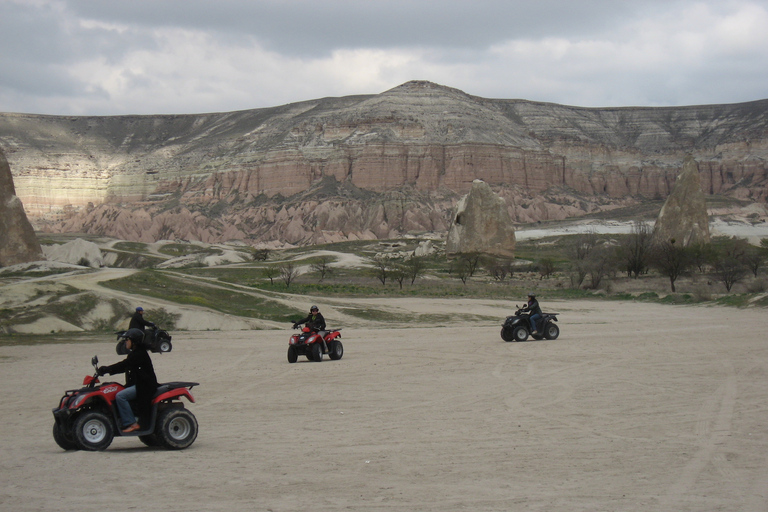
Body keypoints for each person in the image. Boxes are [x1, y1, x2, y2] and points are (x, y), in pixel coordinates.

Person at [98, 328, 159, 433]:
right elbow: (125, 367)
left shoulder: (139, 354)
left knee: (120, 396)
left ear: (134, 341)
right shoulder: (135, 353)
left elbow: (125, 364)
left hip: (145, 386)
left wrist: (108, 369)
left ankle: (132, 423)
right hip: (138, 384)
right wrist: (107, 370)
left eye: (127, 340)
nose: (125, 342)